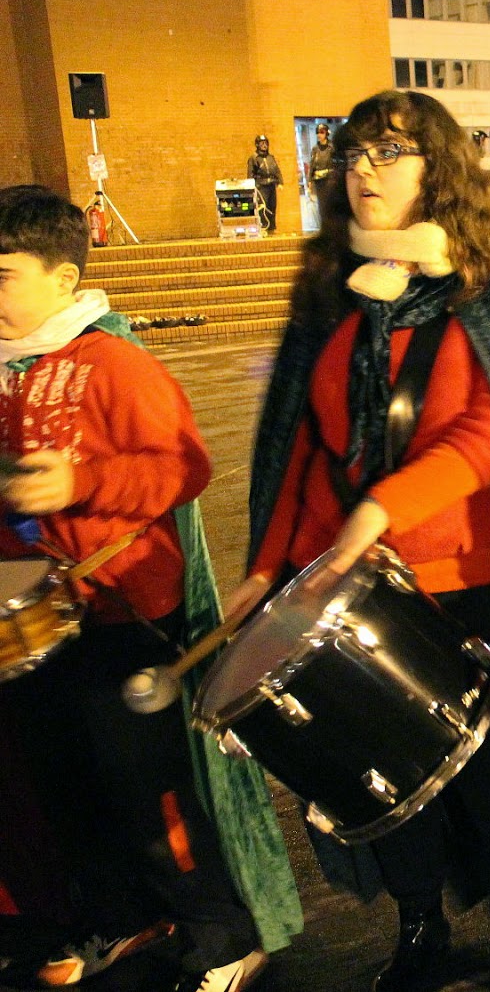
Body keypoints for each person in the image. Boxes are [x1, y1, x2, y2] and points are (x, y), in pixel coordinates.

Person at [235, 90, 490, 992]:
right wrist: (268, 569)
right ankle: (421, 924)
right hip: (350, 581)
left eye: (391, 152)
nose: (364, 168)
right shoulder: (330, 291)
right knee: (380, 777)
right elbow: (301, 450)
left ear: (436, 168)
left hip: (466, 573)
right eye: (354, 152)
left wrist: (384, 508)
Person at [0, 184, 301, 991]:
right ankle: (125, 919)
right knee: (70, 788)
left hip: (122, 615)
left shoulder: (114, 360)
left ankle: (223, 937)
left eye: (4, 275)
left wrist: (82, 479)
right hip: (32, 627)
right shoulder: (5, 371)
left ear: (64, 279)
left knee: (149, 797)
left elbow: (184, 467)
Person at [247, 134, 283, 233]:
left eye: (266, 143)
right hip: (261, 186)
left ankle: (272, 228)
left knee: (272, 206)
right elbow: (250, 174)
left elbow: (277, 170)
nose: (264, 145)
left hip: (271, 185)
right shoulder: (254, 158)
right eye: (262, 143)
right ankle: (263, 228)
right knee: (263, 208)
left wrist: (280, 182)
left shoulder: (271, 157)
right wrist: (252, 188)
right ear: (257, 144)